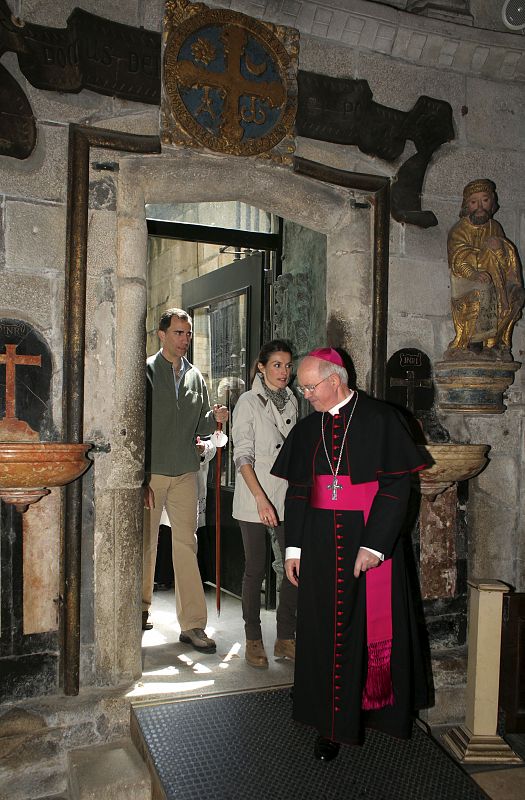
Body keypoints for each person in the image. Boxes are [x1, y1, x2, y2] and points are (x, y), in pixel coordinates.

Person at [271, 348, 429, 761]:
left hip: (369, 543)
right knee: (325, 633)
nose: (304, 393)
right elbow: (299, 493)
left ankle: (380, 717)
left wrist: (374, 545)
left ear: (334, 380)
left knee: (372, 631)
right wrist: (293, 547)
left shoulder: (381, 420)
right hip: (321, 548)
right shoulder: (308, 431)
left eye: (309, 386)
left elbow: (397, 488)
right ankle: (331, 727)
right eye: (302, 387)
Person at [143, 308, 228, 653]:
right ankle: (137, 609)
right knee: (146, 543)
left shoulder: (196, 377)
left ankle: (192, 625)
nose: (184, 340)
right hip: (151, 474)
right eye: (178, 333)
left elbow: (203, 428)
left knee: (186, 545)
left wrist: (216, 417)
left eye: (188, 333)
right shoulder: (145, 372)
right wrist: (139, 477)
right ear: (161, 335)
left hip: (185, 473)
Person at [232, 340, 298, 668]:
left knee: (293, 567)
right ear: (261, 366)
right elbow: (242, 455)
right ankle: (253, 639)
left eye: (287, 365)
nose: (284, 371)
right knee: (255, 569)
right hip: (254, 497)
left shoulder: (293, 401)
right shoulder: (247, 402)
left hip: (285, 496)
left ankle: (286, 638)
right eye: (276, 365)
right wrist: (260, 499)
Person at [446, 178, 524, 361]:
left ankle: (496, 343)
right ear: (467, 206)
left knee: (516, 297)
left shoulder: (495, 227)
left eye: (485, 200)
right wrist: (475, 273)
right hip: (466, 281)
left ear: (492, 203)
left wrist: (499, 249)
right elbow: (458, 260)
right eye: (474, 202)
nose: (480, 206)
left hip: (496, 280)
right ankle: (475, 342)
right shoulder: (459, 230)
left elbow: (506, 263)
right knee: (484, 289)